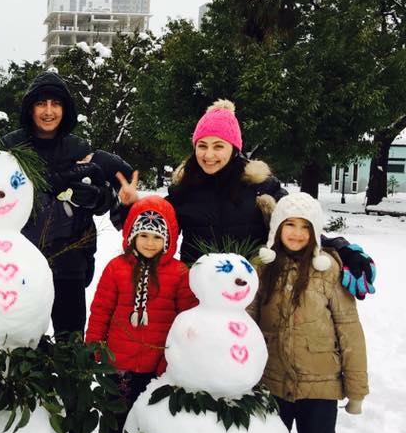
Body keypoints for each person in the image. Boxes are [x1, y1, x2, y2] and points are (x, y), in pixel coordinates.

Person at [115, 99, 376, 299]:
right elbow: (153, 228)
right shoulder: (185, 189)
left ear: (234, 149)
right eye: (202, 146)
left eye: (218, 146)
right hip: (198, 290)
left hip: (249, 293)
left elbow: (298, 224)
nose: (208, 155)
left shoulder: (260, 187)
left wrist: (342, 249)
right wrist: (128, 207)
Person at [252, 192, 368, 433]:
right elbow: (247, 320)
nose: (297, 233)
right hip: (273, 379)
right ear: (277, 228)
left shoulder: (329, 270)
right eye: (290, 225)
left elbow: (349, 329)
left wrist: (357, 390)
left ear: (315, 232)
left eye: (305, 227)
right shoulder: (262, 267)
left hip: (321, 383)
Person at [2, 69, 133, 338]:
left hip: (70, 257)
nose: (49, 111)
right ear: (30, 108)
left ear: (65, 109)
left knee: (70, 341)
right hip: (20, 259)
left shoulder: (80, 149)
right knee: (21, 341)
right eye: (41, 103)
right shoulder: (9, 148)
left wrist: (95, 197)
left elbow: (105, 197)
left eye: (56, 104)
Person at [84, 195, 197, 433]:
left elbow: (184, 320)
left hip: (155, 366)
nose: (149, 243)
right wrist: (95, 347)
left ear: (168, 239)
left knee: (148, 423)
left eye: (157, 237)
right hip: (118, 364)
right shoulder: (117, 268)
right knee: (113, 421)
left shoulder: (179, 274)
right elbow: (101, 310)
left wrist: (171, 360)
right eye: (143, 235)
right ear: (131, 235)